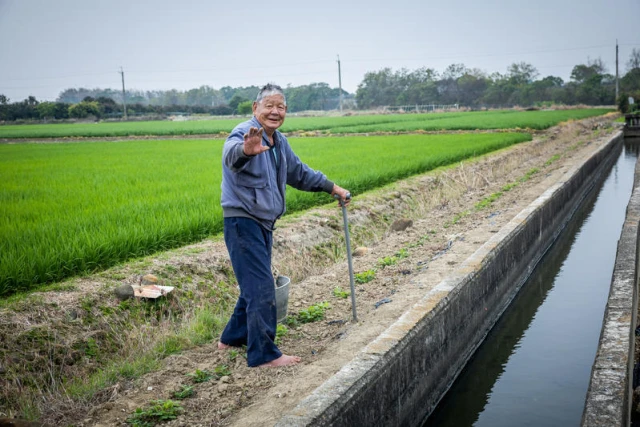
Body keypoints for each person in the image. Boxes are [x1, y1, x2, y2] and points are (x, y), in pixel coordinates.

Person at [218, 83, 351, 367]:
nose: (275, 112)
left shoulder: (279, 141)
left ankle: (231, 338)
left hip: (263, 222)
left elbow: (299, 173)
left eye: (280, 107)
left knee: (254, 284)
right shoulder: (246, 133)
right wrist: (246, 150)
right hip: (243, 220)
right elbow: (231, 155)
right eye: (269, 106)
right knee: (262, 287)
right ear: (256, 108)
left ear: (286, 111)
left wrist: (332, 188)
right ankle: (263, 355)